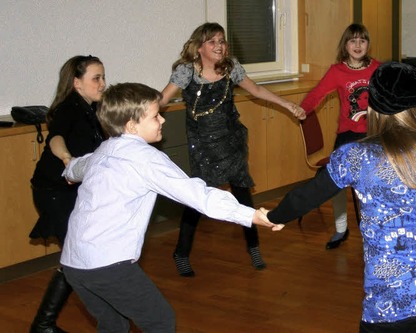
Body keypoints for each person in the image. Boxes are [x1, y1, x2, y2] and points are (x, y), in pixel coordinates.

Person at [267, 62, 416, 333]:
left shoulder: (353, 157)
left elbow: (304, 198)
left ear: (372, 107)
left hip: (390, 297)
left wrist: (271, 216)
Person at [60, 82, 283, 332]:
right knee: (160, 321)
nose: (163, 121)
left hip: (73, 264)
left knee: (113, 324)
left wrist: (69, 171)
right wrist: (250, 214)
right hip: (107, 265)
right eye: (155, 116)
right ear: (132, 126)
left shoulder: (103, 151)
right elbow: (197, 195)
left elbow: (77, 167)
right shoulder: (146, 159)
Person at [160, 22, 305, 276]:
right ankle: (181, 253)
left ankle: (254, 247)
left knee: (243, 194)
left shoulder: (231, 68)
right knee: (197, 200)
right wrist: (137, 117)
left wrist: (288, 104)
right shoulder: (186, 72)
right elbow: (161, 100)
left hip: (231, 140)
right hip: (202, 145)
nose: (219, 46)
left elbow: (257, 90)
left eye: (222, 40)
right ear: (199, 47)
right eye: (212, 41)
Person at [28, 55, 106, 333]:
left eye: (103, 77)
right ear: (77, 83)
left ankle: (43, 325)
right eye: (96, 78)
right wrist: (66, 158)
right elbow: (56, 138)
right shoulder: (68, 109)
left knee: (77, 255)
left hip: (73, 190)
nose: (102, 83)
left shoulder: (93, 109)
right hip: (53, 191)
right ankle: (44, 324)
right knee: (77, 255)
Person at [299, 23, 381, 249]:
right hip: (347, 135)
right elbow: (316, 94)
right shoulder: (337, 71)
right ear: (345, 45)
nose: (357, 45)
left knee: (371, 185)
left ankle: (373, 231)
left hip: (372, 135)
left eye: (362, 41)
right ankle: (341, 228)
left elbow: (399, 91)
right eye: (352, 41)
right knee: (336, 181)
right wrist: (302, 109)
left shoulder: (377, 68)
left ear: (368, 44)